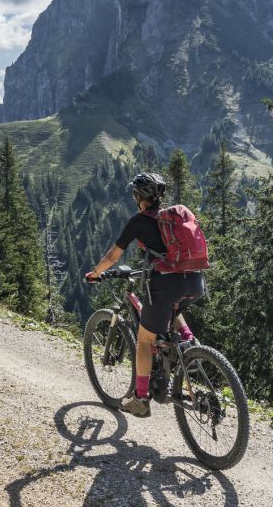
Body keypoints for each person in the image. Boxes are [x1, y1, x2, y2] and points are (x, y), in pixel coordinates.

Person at [84, 172, 206, 418]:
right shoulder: (173, 218)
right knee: (173, 308)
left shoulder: (139, 221)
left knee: (144, 340)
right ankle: (190, 343)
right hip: (195, 280)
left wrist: (96, 273)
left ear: (138, 196)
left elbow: (113, 256)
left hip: (166, 284)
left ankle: (140, 400)